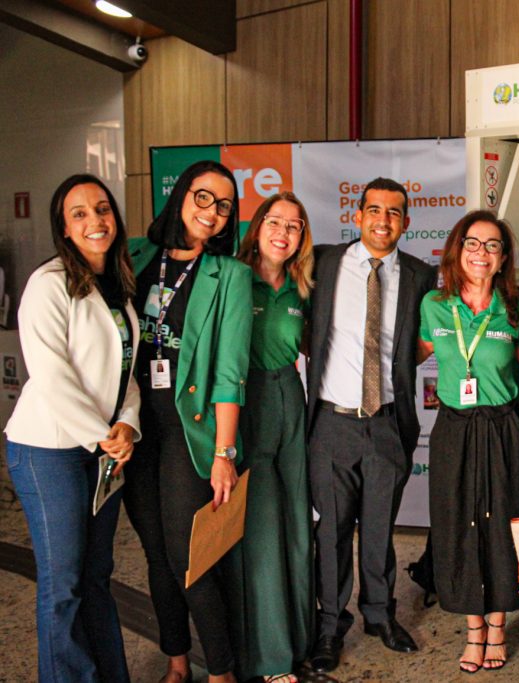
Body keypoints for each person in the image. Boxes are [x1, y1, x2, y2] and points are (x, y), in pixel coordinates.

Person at [4, 175, 139, 683]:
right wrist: (103, 435)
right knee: (62, 584)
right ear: (63, 227)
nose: (95, 220)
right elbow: (51, 376)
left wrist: (126, 423)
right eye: (79, 213)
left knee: (96, 577)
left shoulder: (117, 285)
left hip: (100, 449)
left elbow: (126, 368)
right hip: (48, 450)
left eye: (102, 209)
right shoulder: (48, 283)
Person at [123, 160, 252, 683]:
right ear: (180, 196)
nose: (212, 212)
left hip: (187, 430)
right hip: (134, 425)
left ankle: (221, 671)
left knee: (187, 556)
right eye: (203, 197)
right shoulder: (135, 256)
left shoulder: (230, 276)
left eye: (224, 206)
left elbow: (229, 372)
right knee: (154, 554)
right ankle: (176, 661)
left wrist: (224, 453)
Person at [306, 177, 436, 672]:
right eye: (375, 210)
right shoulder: (324, 263)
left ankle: (380, 615)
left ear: (406, 221)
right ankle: (328, 626)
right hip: (332, 423)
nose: (384, 221)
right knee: (333, 532)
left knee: (380, 529)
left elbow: (423, 340)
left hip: (387, 422)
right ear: (357, 216)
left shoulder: (420, 275)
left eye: (394, 212)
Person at [417, 210, 519, 673]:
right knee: (457, 524)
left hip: (503, 427)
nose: (481, 253)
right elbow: (412, 353)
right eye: (472, 243)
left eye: (492, 245)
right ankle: (473, 629)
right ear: (457, 250)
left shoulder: (516, 308)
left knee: (503, 524)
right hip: (453, 428)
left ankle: (498, 625)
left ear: (503, 258)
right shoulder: (434, 305)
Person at [230, 192, 316, 683]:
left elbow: (310, 345)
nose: (284, 232)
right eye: (275, 222)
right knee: (262, 531)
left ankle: (299, 640)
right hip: (248, 402)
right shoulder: (234, 278)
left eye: (294, 225)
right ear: (258, 226)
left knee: (297, 523)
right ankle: (270, 658)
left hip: (291, 396)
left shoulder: (301, 288)